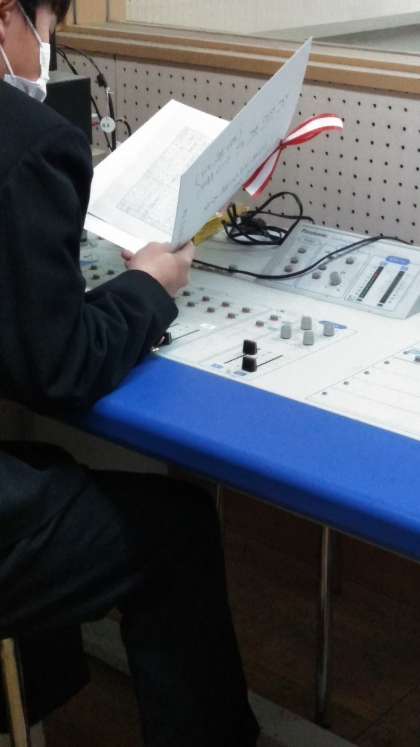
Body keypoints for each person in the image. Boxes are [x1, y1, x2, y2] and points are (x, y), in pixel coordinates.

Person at [0, 0, 262, 744]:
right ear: (5, 17)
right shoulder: (28, 142)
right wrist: (150, 284)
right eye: (47, 34)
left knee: (47, 462)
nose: (44, 57)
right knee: (177, 532)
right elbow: (59, 367)